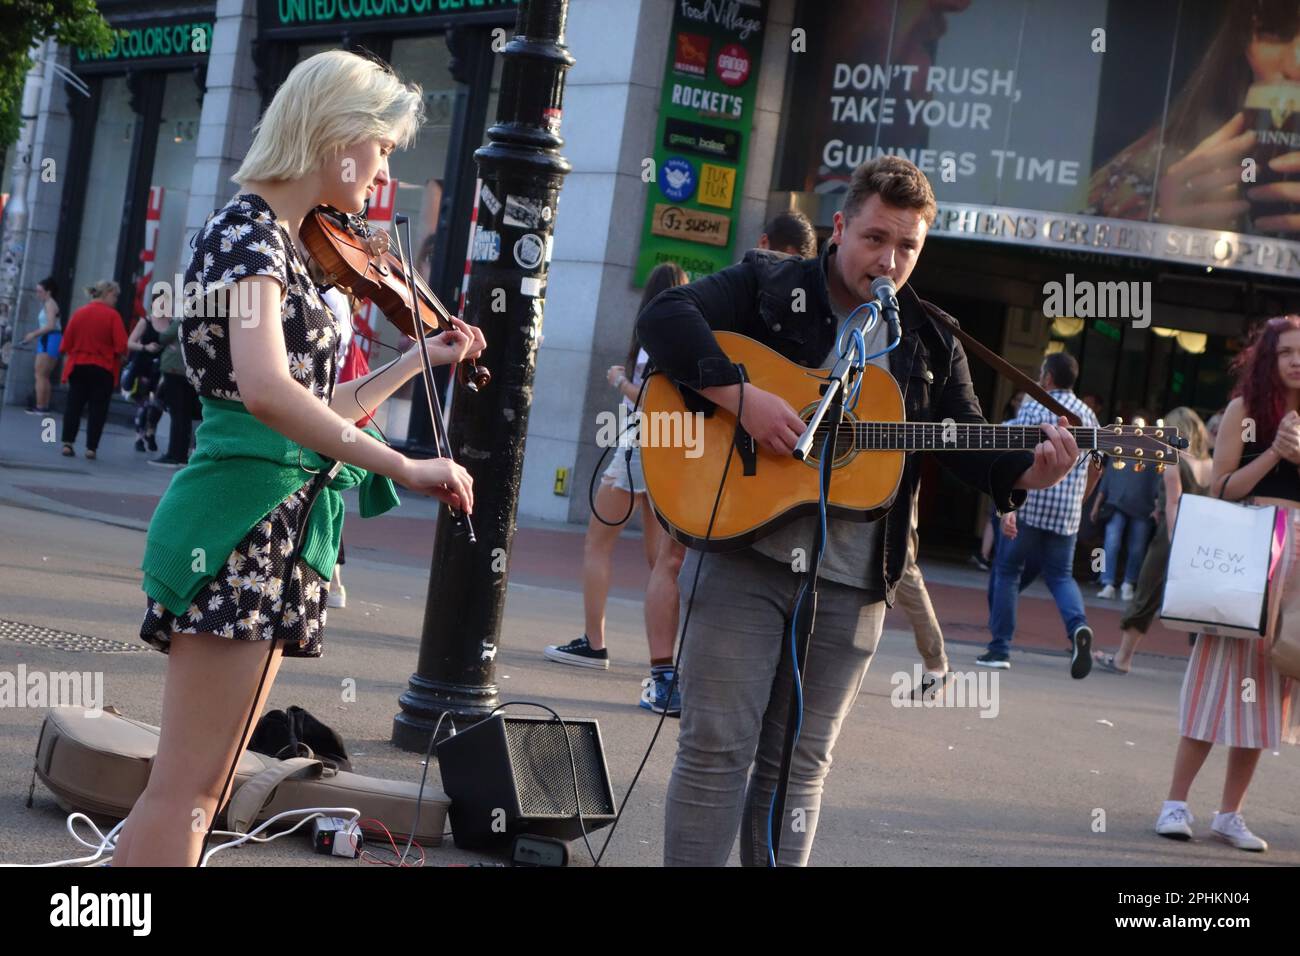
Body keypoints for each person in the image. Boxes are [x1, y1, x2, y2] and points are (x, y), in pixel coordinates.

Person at [637, 156, 1081, 866]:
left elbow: (964, 438)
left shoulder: (931, 339)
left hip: (854, 579)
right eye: (876, 238)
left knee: (800, 766)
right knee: (716, 749)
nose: (890, 260)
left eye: (908, 246)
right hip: (743, 555)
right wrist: (740, 398)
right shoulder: (768, 285)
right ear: (839, 228)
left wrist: (1029, 467)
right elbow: (664, 315)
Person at [111, 50, 486, 868]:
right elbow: (269, 395)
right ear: (335, 136)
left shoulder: (281, 240)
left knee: (191, 793)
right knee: (189, 795)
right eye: (381, 145)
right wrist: (405, 467)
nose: (386, 165)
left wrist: (414, 364)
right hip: (240, 523)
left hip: (279, 531)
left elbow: (316, 407)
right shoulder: (248, 234)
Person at [1155, 316, 1300, 851]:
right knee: (1217, 678)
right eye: (1286, 351)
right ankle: (1176, 801)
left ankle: (1230, 813)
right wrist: (1277, 454)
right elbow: (1222, 489)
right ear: (1268, 357)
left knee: (1269, 687)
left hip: (1297, 564)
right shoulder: (1246, 412)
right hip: (1247, 550)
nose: (1296, 361)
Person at [544, 263, 689, 714]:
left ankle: (594, 642)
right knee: (661, 560)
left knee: (597, 542)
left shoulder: (653, 339)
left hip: (638, 449)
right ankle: (667, 659)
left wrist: (618, 381)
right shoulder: (684, 334)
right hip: (667, 450)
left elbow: (649, 399)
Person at [1085, 1, 1300, 235]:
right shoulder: (1148, 173)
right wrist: (1165, 234)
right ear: (1242, 41)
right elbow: (1073, 265)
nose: (1296, 65)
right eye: (1276, 30)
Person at [978, 352, 1100, 676]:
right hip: (1066, 515)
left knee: (1007, 571)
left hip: (1029, 506)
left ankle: (999, 648)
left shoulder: (1034, 406)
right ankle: (1078, 629)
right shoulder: (1088, 415)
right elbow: (1096, 468)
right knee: (1061, 576)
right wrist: (1078, 501)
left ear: (1047, 377)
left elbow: (1010, 450)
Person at [1093, 407, 1213, 674]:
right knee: (1199, 604)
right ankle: (1200, 669)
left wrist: (1174, 541)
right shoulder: (1210, 464)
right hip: (1203, 537)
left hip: (1171, 536)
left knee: (1145, 595)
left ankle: (1123, 658)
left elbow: (1174, 502)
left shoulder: (1173, 459)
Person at [1090, 422, 1161, 601]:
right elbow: (1106, 481)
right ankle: (1107, 583)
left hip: (1143, 507)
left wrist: (1157, 507)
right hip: (1116, 505)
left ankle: (1129, 583)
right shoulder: (1118, 451)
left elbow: (1157, 485)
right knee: (1111, 543)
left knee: (1137, 548)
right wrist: (1096, 505)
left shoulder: (1153, 455)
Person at [58, 280, 128, 460]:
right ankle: (91, 448)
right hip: (102, 368)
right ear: (106, 293)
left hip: (78, 365)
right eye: (115, 296)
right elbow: (121, 346)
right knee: (98, 409)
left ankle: (68, 443)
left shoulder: (79, 313)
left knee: (74, 405)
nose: (116, 300)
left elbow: (66, 343)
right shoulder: (113, 316)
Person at [151, 311, 201, 468]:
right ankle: (182, 453)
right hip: (191, 369)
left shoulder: (183, 315)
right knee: (184, 414)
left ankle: (175, 453)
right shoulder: (204, 315)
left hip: (175, 368)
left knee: (177, 413)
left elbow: (164, 337)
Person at [122, 297, 169, 453]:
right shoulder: (146, 322)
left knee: (158, 404)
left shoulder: (171, 323)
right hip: (143, 366)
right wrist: (145, 347)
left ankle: (151, 432)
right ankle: (139, 437)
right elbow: (130, 342)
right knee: (145, 403)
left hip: (161, 368)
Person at [20, 277, 62, 414]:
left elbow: (50, 325)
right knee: (43, 375)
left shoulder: (50, 304)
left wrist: (33, 334)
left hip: (50, 338)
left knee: (40, 374)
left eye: (40, 291)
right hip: (50, 339)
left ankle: (41, 405)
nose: (38, 294)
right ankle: (43, 405)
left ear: (48, 292)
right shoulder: (49, 304)